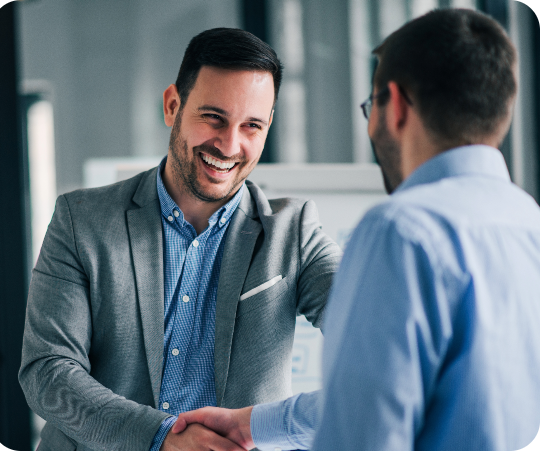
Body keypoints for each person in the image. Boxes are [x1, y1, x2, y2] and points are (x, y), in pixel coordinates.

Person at [171, 8, 540, 451]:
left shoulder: (401, 231)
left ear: (397, 106)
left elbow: (363, 430)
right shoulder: (529, 221)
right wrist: (257, 424)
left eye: (371, 105)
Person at [19, 28, 341, 451]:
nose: (229, 145)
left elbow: (380, 338)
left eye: (252, 126)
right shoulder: (82, 220)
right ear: (173, 105)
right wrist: (160, 438)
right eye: (214, 117)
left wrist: (273, 425)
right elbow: (48, 372)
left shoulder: (294, 232)